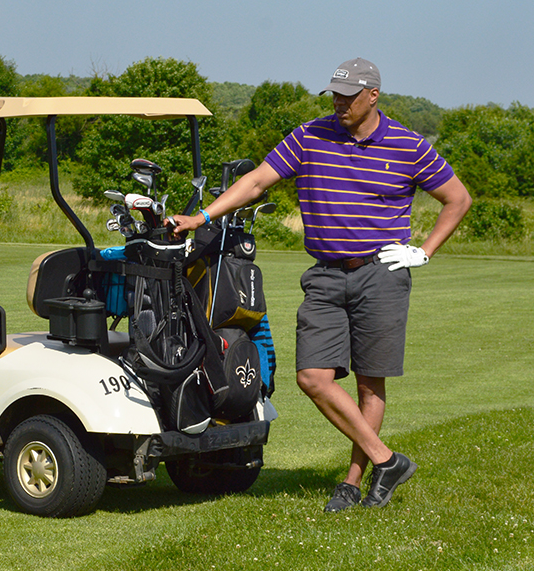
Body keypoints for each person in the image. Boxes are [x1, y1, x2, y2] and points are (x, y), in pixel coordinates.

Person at [171, 58, 471, 512]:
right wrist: (202, 217)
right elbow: (256, 182)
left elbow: (457, 198)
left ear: (373, 95)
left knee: (370, 386)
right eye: (334, 94)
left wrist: (423, 250)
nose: (338, 102)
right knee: (313, 377)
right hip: (326, 274)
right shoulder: (310, 135)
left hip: (382, 274)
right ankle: (386, 459)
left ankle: (354, 483)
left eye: (348, 96)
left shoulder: (409, 145)